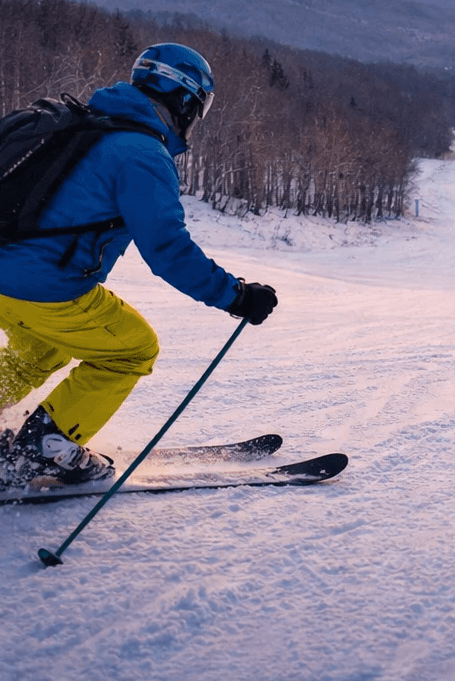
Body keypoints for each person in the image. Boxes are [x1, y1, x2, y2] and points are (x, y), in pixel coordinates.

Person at [0, 43, 278, 486]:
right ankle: (42, 449)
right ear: (184, 101)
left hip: (5, 282)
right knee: (132, 348)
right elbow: (168, 250)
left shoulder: (81, 124)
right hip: (45, 286)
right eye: (198, 108)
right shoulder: (141, 153)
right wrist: (237, 295)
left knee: (43, 348)